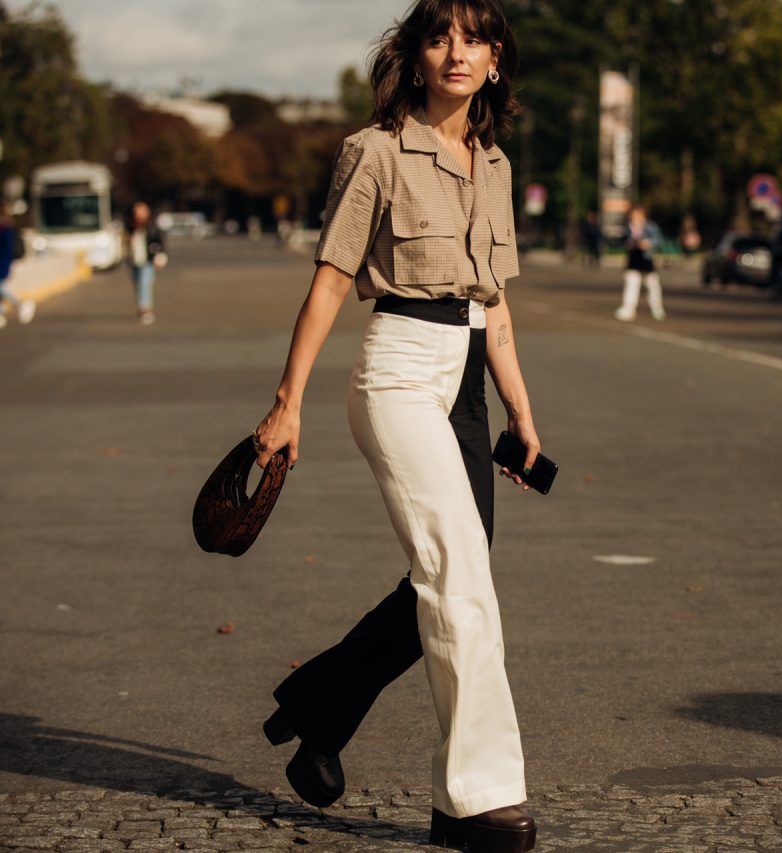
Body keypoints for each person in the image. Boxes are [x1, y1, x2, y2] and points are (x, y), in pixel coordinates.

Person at [251, 2, 540, 851]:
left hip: (468, 386)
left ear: (495, 61)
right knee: (460, 578)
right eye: (440, 36)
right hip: (400, 373)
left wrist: (521, 411)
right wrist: (287, 400)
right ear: (413, 57)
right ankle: (477, 800)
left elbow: (496, 305)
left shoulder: (493, 164)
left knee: (454, 573)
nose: (458, 51)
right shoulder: (373, 152)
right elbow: (334, 281)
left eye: (476, 38)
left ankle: (322, 705)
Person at [0, 202, 35, 330]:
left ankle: (21, 304)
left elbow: (7, 248)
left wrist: (3, 262)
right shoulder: (2, 228)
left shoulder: (6, 229)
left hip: (3, 261)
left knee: (0, 286)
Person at [614, 204, 665, 321]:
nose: (636, 216)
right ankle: (628, 309)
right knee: (631, 284)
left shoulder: (651, 227)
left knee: (652, 284)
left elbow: (659, 240)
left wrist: (648, 243)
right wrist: (630, 243)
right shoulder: (628, 227)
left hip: (647, 259)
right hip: (633, 259)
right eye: (633, 214)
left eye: (638, 214)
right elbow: (622, 241)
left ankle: (656, 308)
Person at [126, 202, 167, 325]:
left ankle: (145, 310)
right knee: (138, 285)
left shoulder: (152, 226)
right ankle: (141, 308)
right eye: (137, 213)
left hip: (147, 261)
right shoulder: (131, 226)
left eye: (141, 212)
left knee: (144, 284)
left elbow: (160, 242)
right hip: (133, 261)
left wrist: (160, 256)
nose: (139, 215)